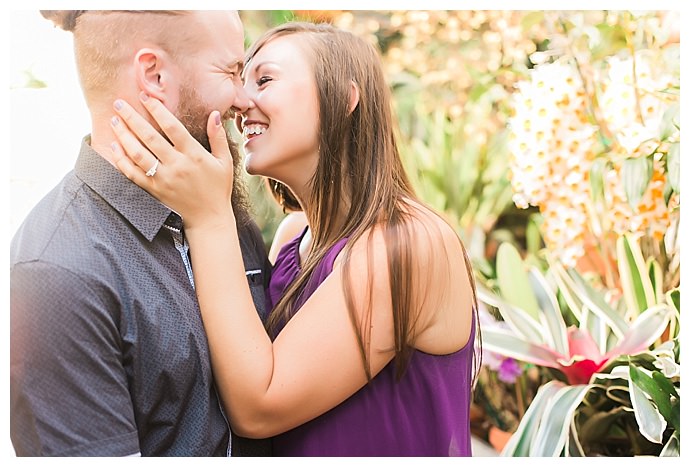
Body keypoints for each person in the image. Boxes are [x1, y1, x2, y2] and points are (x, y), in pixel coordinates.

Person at [110, 22, 481, 456]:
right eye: (241, 80)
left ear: (344, 98)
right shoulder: (292, 240)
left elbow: (258, 407)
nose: (240, 102)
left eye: (264, 79)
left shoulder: (410, 244)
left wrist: (208, 217)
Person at [10, 10, 272, 456]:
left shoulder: (225, 211)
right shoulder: (57, 270)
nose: (245, 98)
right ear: (153, 75)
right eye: (231, 71)